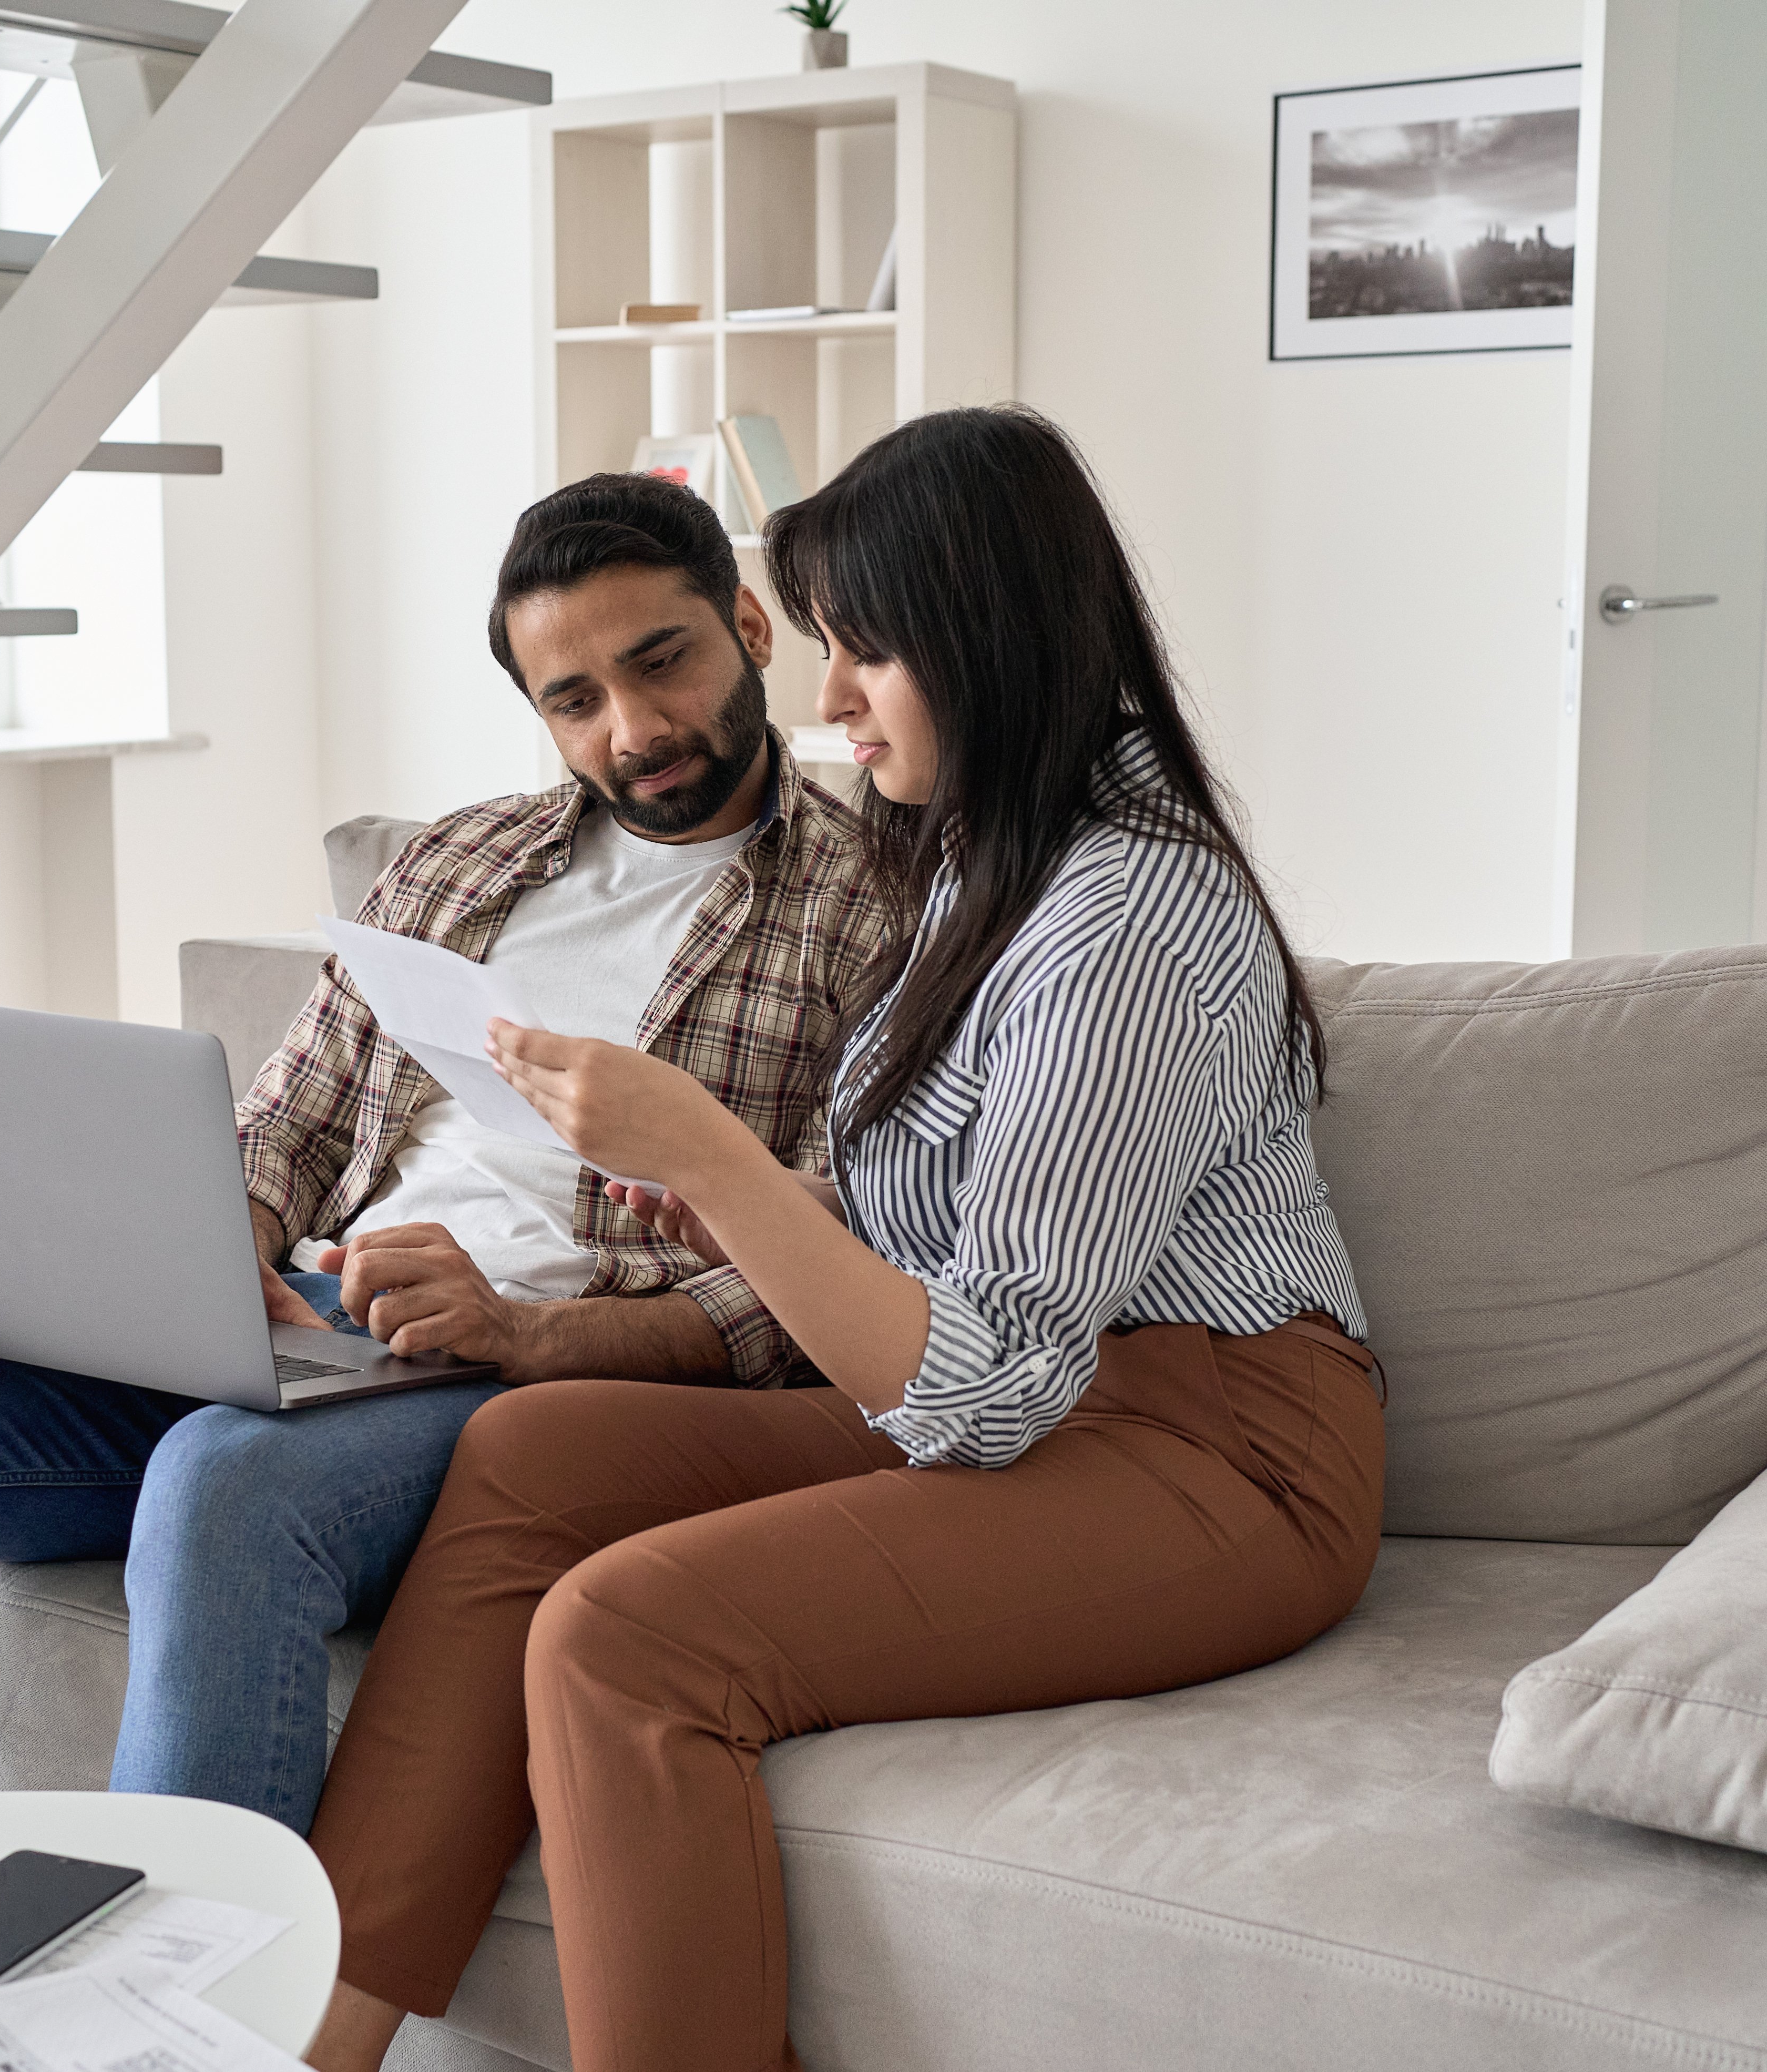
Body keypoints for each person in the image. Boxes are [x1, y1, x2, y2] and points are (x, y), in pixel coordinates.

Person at [298, 406, 1384, 2072]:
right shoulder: (995, 860)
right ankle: (321, 2041)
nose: (826, 703)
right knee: (529, 1457)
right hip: (1064, 1399)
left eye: (865, 653)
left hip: (1219, 1458)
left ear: (989, 639)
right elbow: (946, 1233)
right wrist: (717, 1188)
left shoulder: (1134, 919)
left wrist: (716, 1161)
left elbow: (993, 1387)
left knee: (627, 1634)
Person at [0, 473, 890, 1835]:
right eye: (574, 700)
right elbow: (286, 1123)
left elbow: (816, 1284)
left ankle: (186, 2026)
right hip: (311, 1327)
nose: (633, 731)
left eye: (664, 664)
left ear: (751, 628)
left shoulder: (875, 908)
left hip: (539, 1378)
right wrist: (210, 1240)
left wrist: (519, 1332)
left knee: (223, 1484)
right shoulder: (461, 863)